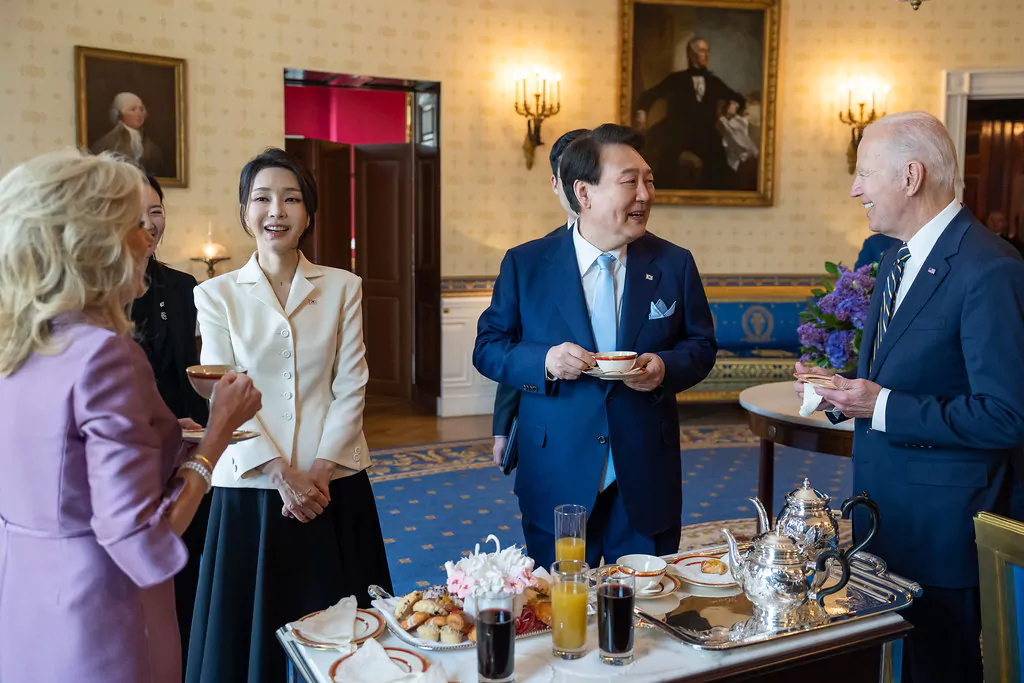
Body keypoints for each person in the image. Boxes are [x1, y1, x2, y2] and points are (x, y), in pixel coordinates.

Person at [0, 149, 261, 683]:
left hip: (27, 601)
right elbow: (142, 539)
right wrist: (214, 439)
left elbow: (57, 476)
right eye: (134, 225)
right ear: (94, 242)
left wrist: (172, 447)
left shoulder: (19, 345)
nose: (149, 238)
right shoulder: (104, 355)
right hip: (103, 618)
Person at [798, 111, 1024, 683]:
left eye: (864, 173)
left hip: (946, 528)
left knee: (940, 670)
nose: (855, 189)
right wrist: (840, 392)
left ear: (910, 176)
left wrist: (880, 405)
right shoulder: (894, 257)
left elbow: (1006, 415)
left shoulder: (990, 268)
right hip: (886, 516)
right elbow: (903, 374)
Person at [187, 147, 394, 683]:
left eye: (290, 198)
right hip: (254, 486)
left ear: (308, 213)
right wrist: (281, 474)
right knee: (251, 631)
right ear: (244, 211)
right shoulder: (216, 294)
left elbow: (351, 384)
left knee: (347, 629)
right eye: (261, 199)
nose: (275, 210)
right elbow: (224, 389)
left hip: (333, 484)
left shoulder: (342, 285)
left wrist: (318, 471)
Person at [474, 124, 717, 570]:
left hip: (645, 471)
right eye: (630, 182)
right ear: (583, 193)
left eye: (650, 181)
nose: (645, 194)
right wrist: (544, 360)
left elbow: (701, 347)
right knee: (561, 608)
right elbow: (488, 347)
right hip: (557, 470)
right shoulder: (526, 264)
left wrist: (664, 367)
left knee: (646, 608)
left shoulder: (673, 263)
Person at [130, 174, 211, 673]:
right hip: (135, 456)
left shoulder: (184, 288)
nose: (150, 222)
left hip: (188, 457)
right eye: (136, 212)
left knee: (189, 575)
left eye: (156, 210)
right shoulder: (97, 301)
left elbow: (193, 374)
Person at [492, 128, 589, 467]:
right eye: (572, 176)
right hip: (550, 421)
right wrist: (502, 426)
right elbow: (511, 342)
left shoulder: (649, 257)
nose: (582, 188)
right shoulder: (528, 261)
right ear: (556, 184)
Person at [633, 37, 745, 190]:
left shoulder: (713, 81)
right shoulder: (676, 79)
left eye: (707, 51)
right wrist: (642, 112)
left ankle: (712, 196)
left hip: (704, 132)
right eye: (701, 51)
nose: (706, 55)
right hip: (676, 129)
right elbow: (650, 95)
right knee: (667, 156)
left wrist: (734, 104)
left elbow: (737, 97)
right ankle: (663, 195)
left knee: (718, 156)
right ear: (690, 55)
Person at [90, 92, 166, 176]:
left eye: (141, 109)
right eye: (133, 109)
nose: (139, 113)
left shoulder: (152, 147)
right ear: (119, 114)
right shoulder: (106, 143)